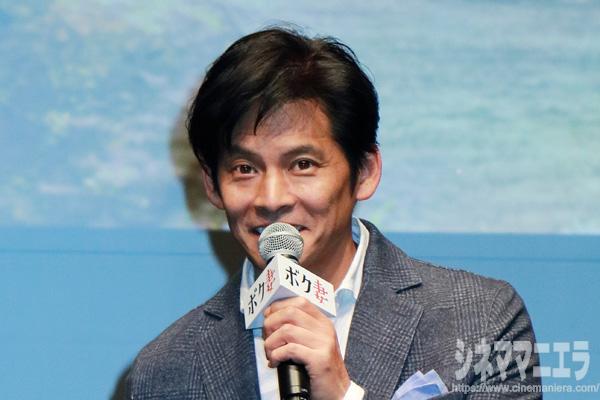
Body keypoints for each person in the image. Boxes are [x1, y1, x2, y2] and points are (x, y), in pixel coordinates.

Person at [127, 27, 541, 399]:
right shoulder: (164, 370)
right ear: (212, 185)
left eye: (302, 164)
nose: (271, 198)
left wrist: (343, 396)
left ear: (365, 171)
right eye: (244, 169)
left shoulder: (481, 320)